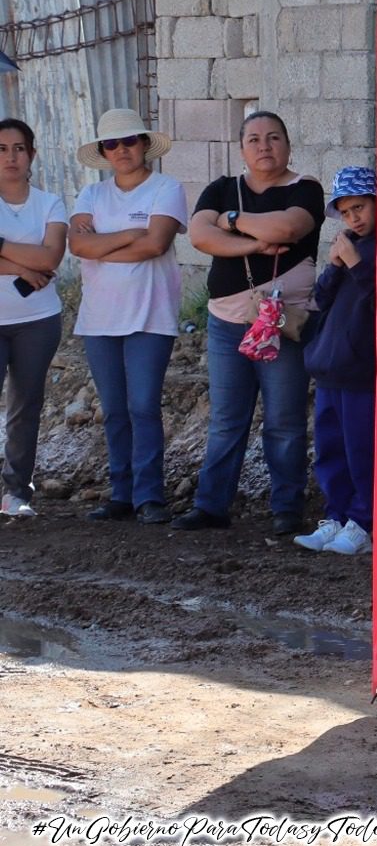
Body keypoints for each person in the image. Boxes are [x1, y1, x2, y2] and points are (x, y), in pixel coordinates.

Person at [172, 111, 324, 535]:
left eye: (274, 137)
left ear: (288, 145)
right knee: (226, 418)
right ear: (241, 148)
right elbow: (201, 236)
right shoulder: (222, 188)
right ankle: (211, 506)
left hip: (282, 325)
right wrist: (257, 242)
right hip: (226, 322)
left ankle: (287, 509)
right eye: (254, 139)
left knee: (285, 419)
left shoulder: (305, 189)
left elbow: (289, 226)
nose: (264, 146)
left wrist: (232, 221)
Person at [68, 109, 187, 525]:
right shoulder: (91, 195)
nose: (121, 150)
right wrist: (127, 236)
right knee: (115, 409)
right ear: (103, 151)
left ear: (144, 145)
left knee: (143, 406)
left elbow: (154, 245)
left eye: (129, 141)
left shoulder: (166, 188)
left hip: (150, 315)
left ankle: (149, 494)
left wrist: (102, 243)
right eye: (111, 144)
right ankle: (122, 492)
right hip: (99, 318)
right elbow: (78, 248)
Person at [294, 166, 377, 557]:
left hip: (362, 371)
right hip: (330, 367)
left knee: (362, 451)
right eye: (345, 213)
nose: (353, 218)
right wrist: (337, 264)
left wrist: (357, 263)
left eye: (359, 207)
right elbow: (320, 301)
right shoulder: (347, 248)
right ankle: (337, 516)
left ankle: (363, 522)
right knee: (332, 450)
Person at [0, 118, 67, 517]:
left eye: (19, 148)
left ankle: (15, 492)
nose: (10, 156)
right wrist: (23, 269)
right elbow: (35, 262)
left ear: (32, 155)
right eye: (2, 149)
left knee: (25, 406)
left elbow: (50, 258)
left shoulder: (50, 203)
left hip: (38, 320)